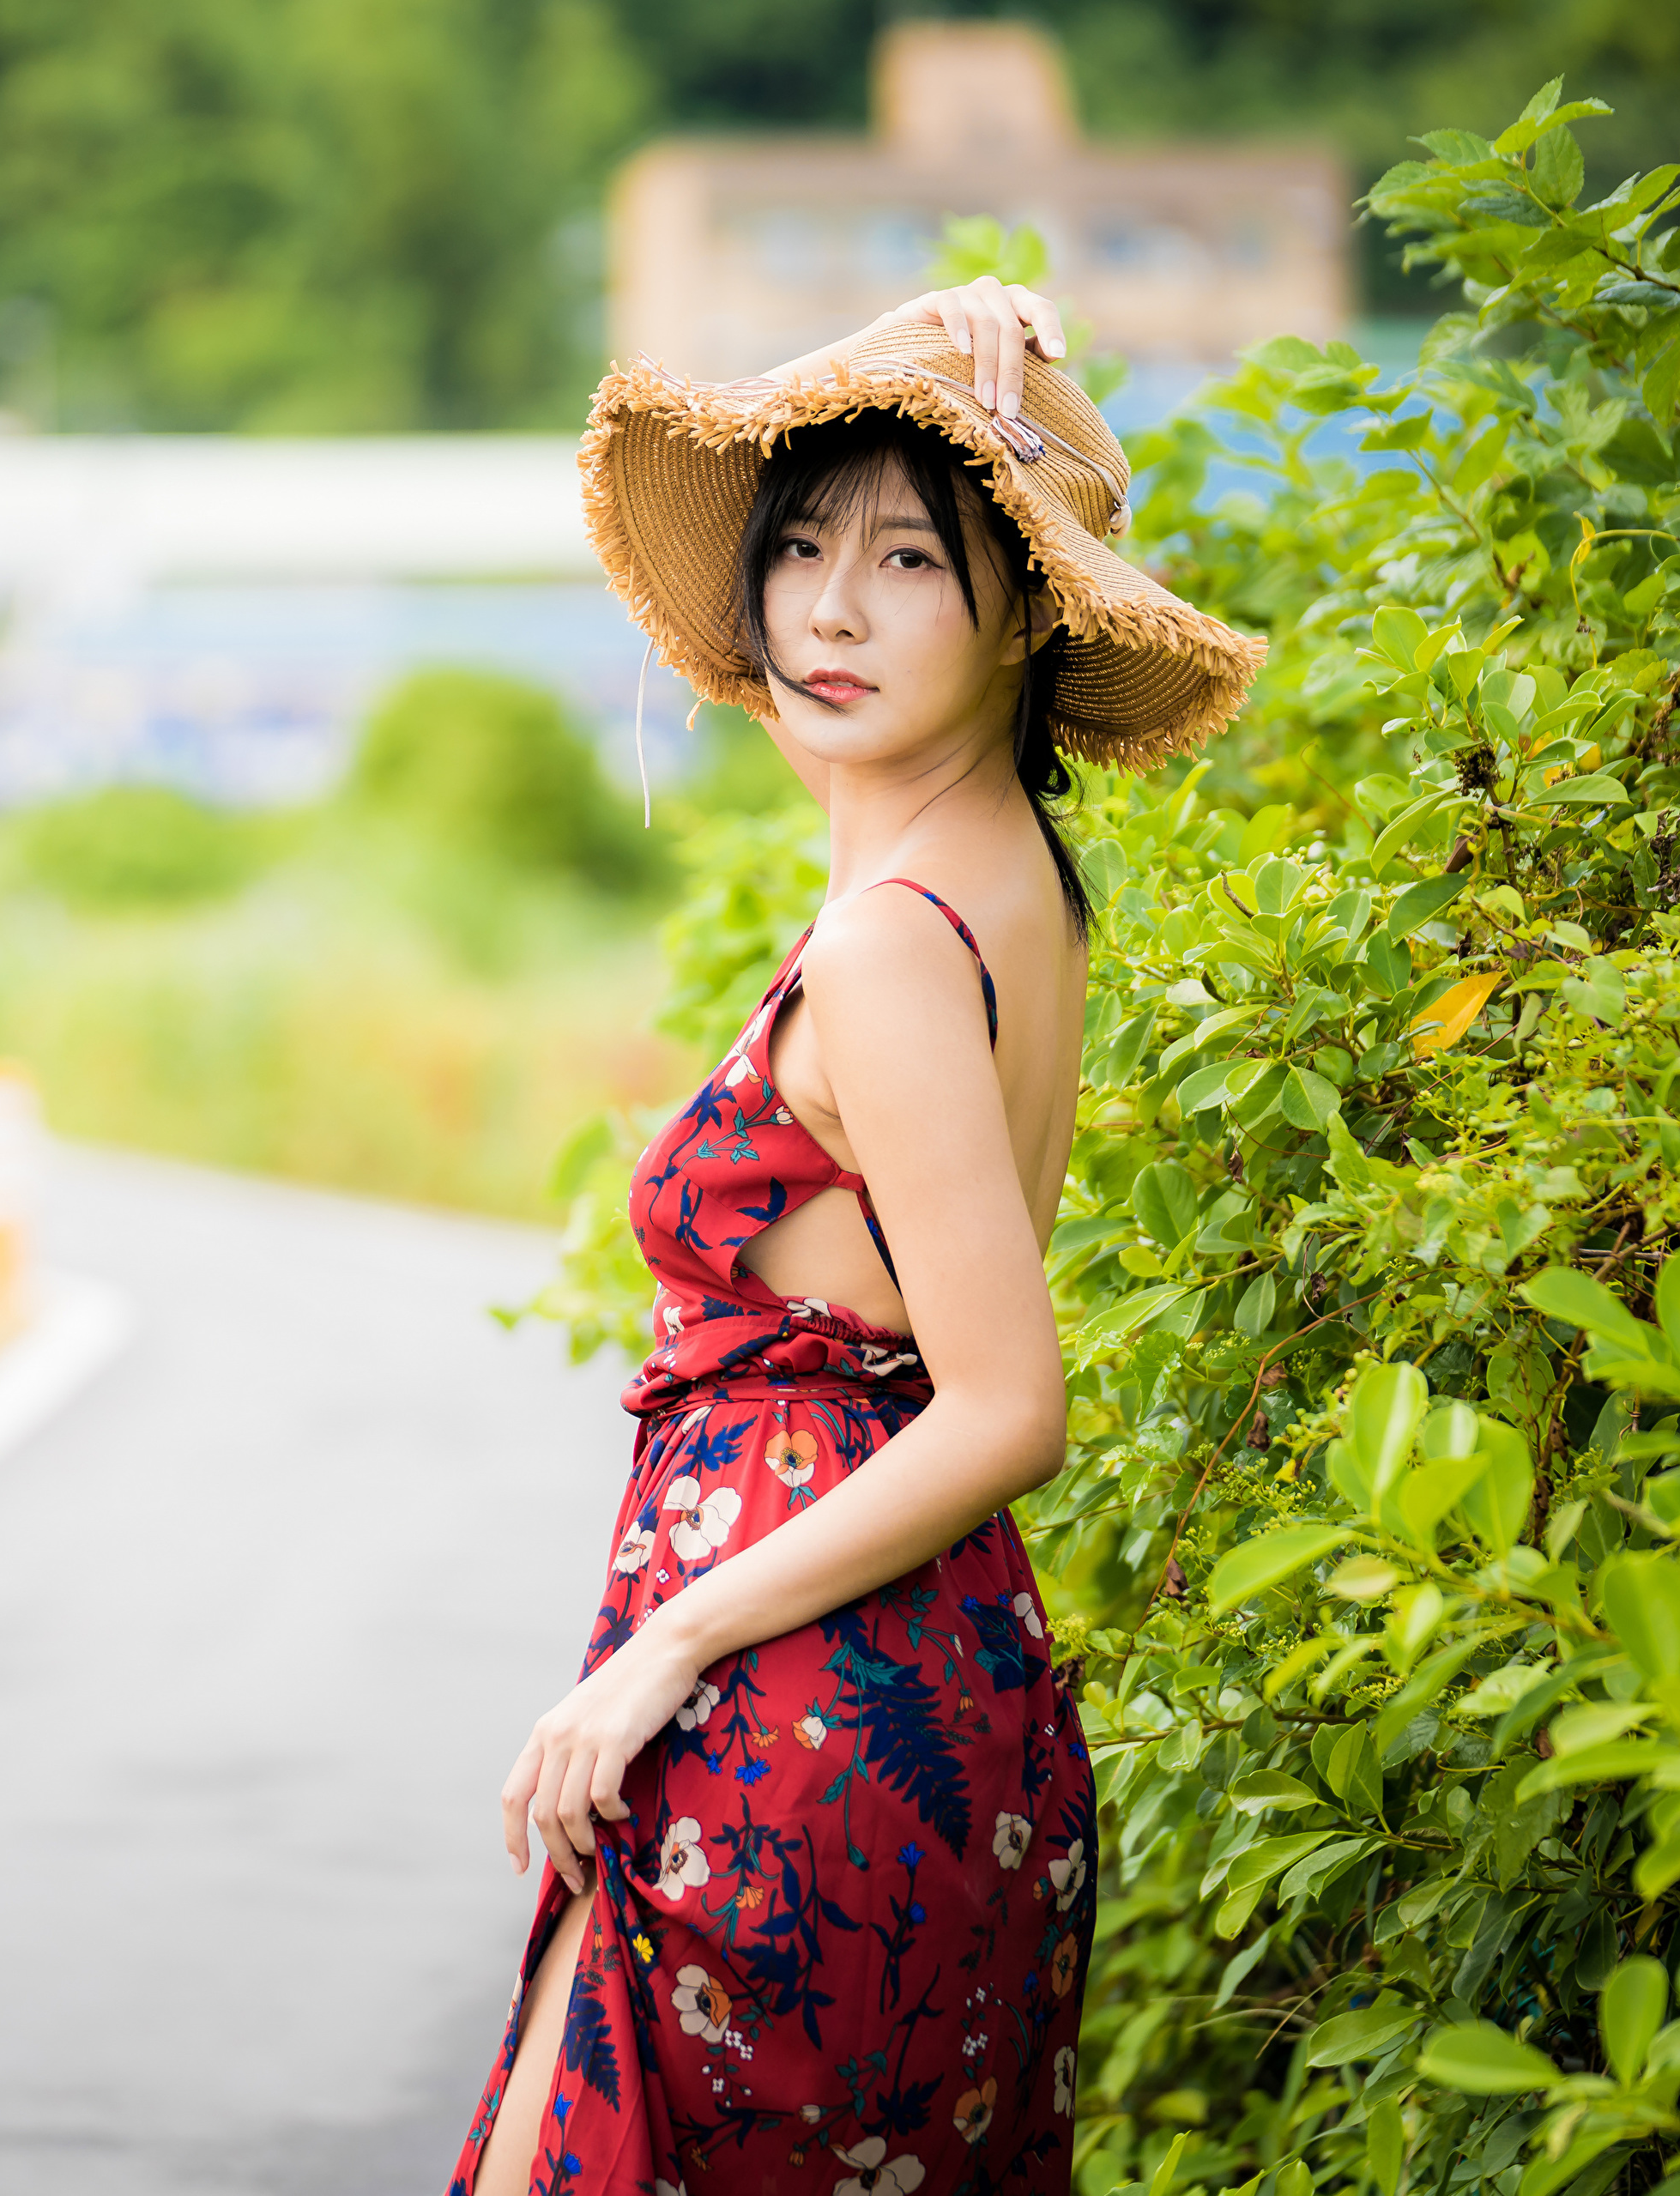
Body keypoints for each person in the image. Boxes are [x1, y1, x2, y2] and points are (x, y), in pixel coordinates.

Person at [452, 279, 1265, 2196]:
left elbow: (1006, 1400)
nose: (827, 609)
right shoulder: (1010, 884)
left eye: (908, 556)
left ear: (1023, 617)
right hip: (923, 1696)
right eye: (803, 547)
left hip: (804, 1718)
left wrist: (662, 1655)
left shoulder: (901, 939)